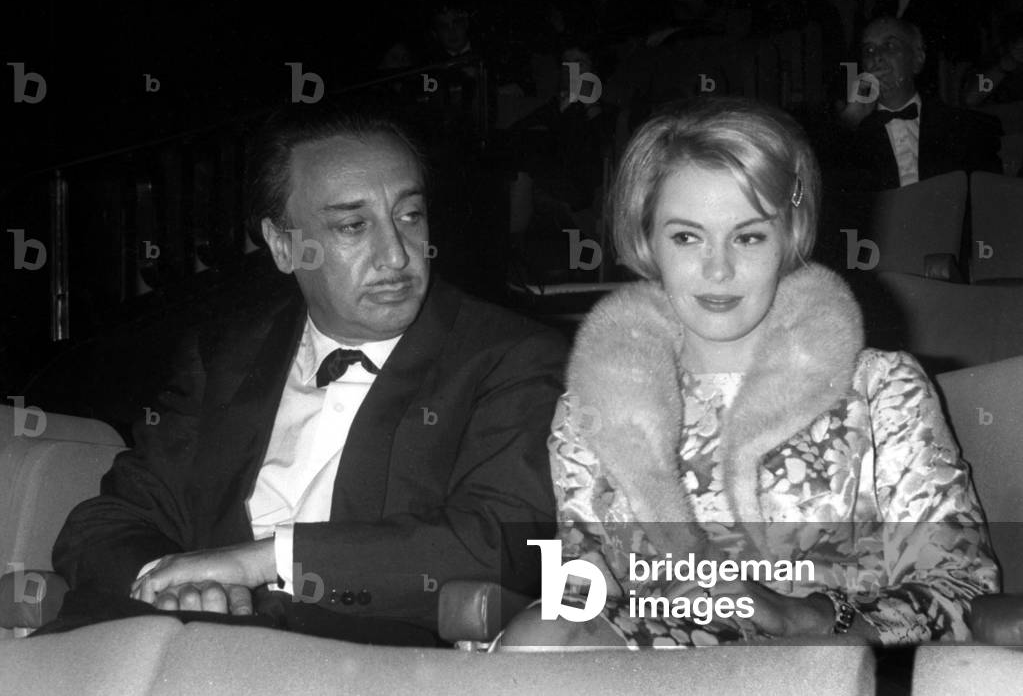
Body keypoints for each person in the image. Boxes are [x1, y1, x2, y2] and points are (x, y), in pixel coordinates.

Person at [48, 104, 567, 646]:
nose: (396, 255)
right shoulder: (226, 358)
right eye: (353, 225)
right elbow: (103, 522)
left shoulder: (509, 357)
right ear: (283, 245)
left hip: (353, 665)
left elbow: (505, 546)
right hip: (184, 649)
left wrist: (260, 563)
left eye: (410, 216)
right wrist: (166, 581)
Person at [497, 95, 999, 650]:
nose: (718, 269)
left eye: (749, 236)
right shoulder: (589, 408)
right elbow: (581, 592)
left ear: (791, 236)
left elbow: (962, 595)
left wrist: (806, 616)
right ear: (647, 240)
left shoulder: (882, 390)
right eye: (686, 237)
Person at [831, 17, 1001, 191]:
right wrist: (851, 119)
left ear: (918, 59)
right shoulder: (854, 135)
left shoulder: (962, 127)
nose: (877, 57)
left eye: (890, 46)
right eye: (869, 50)